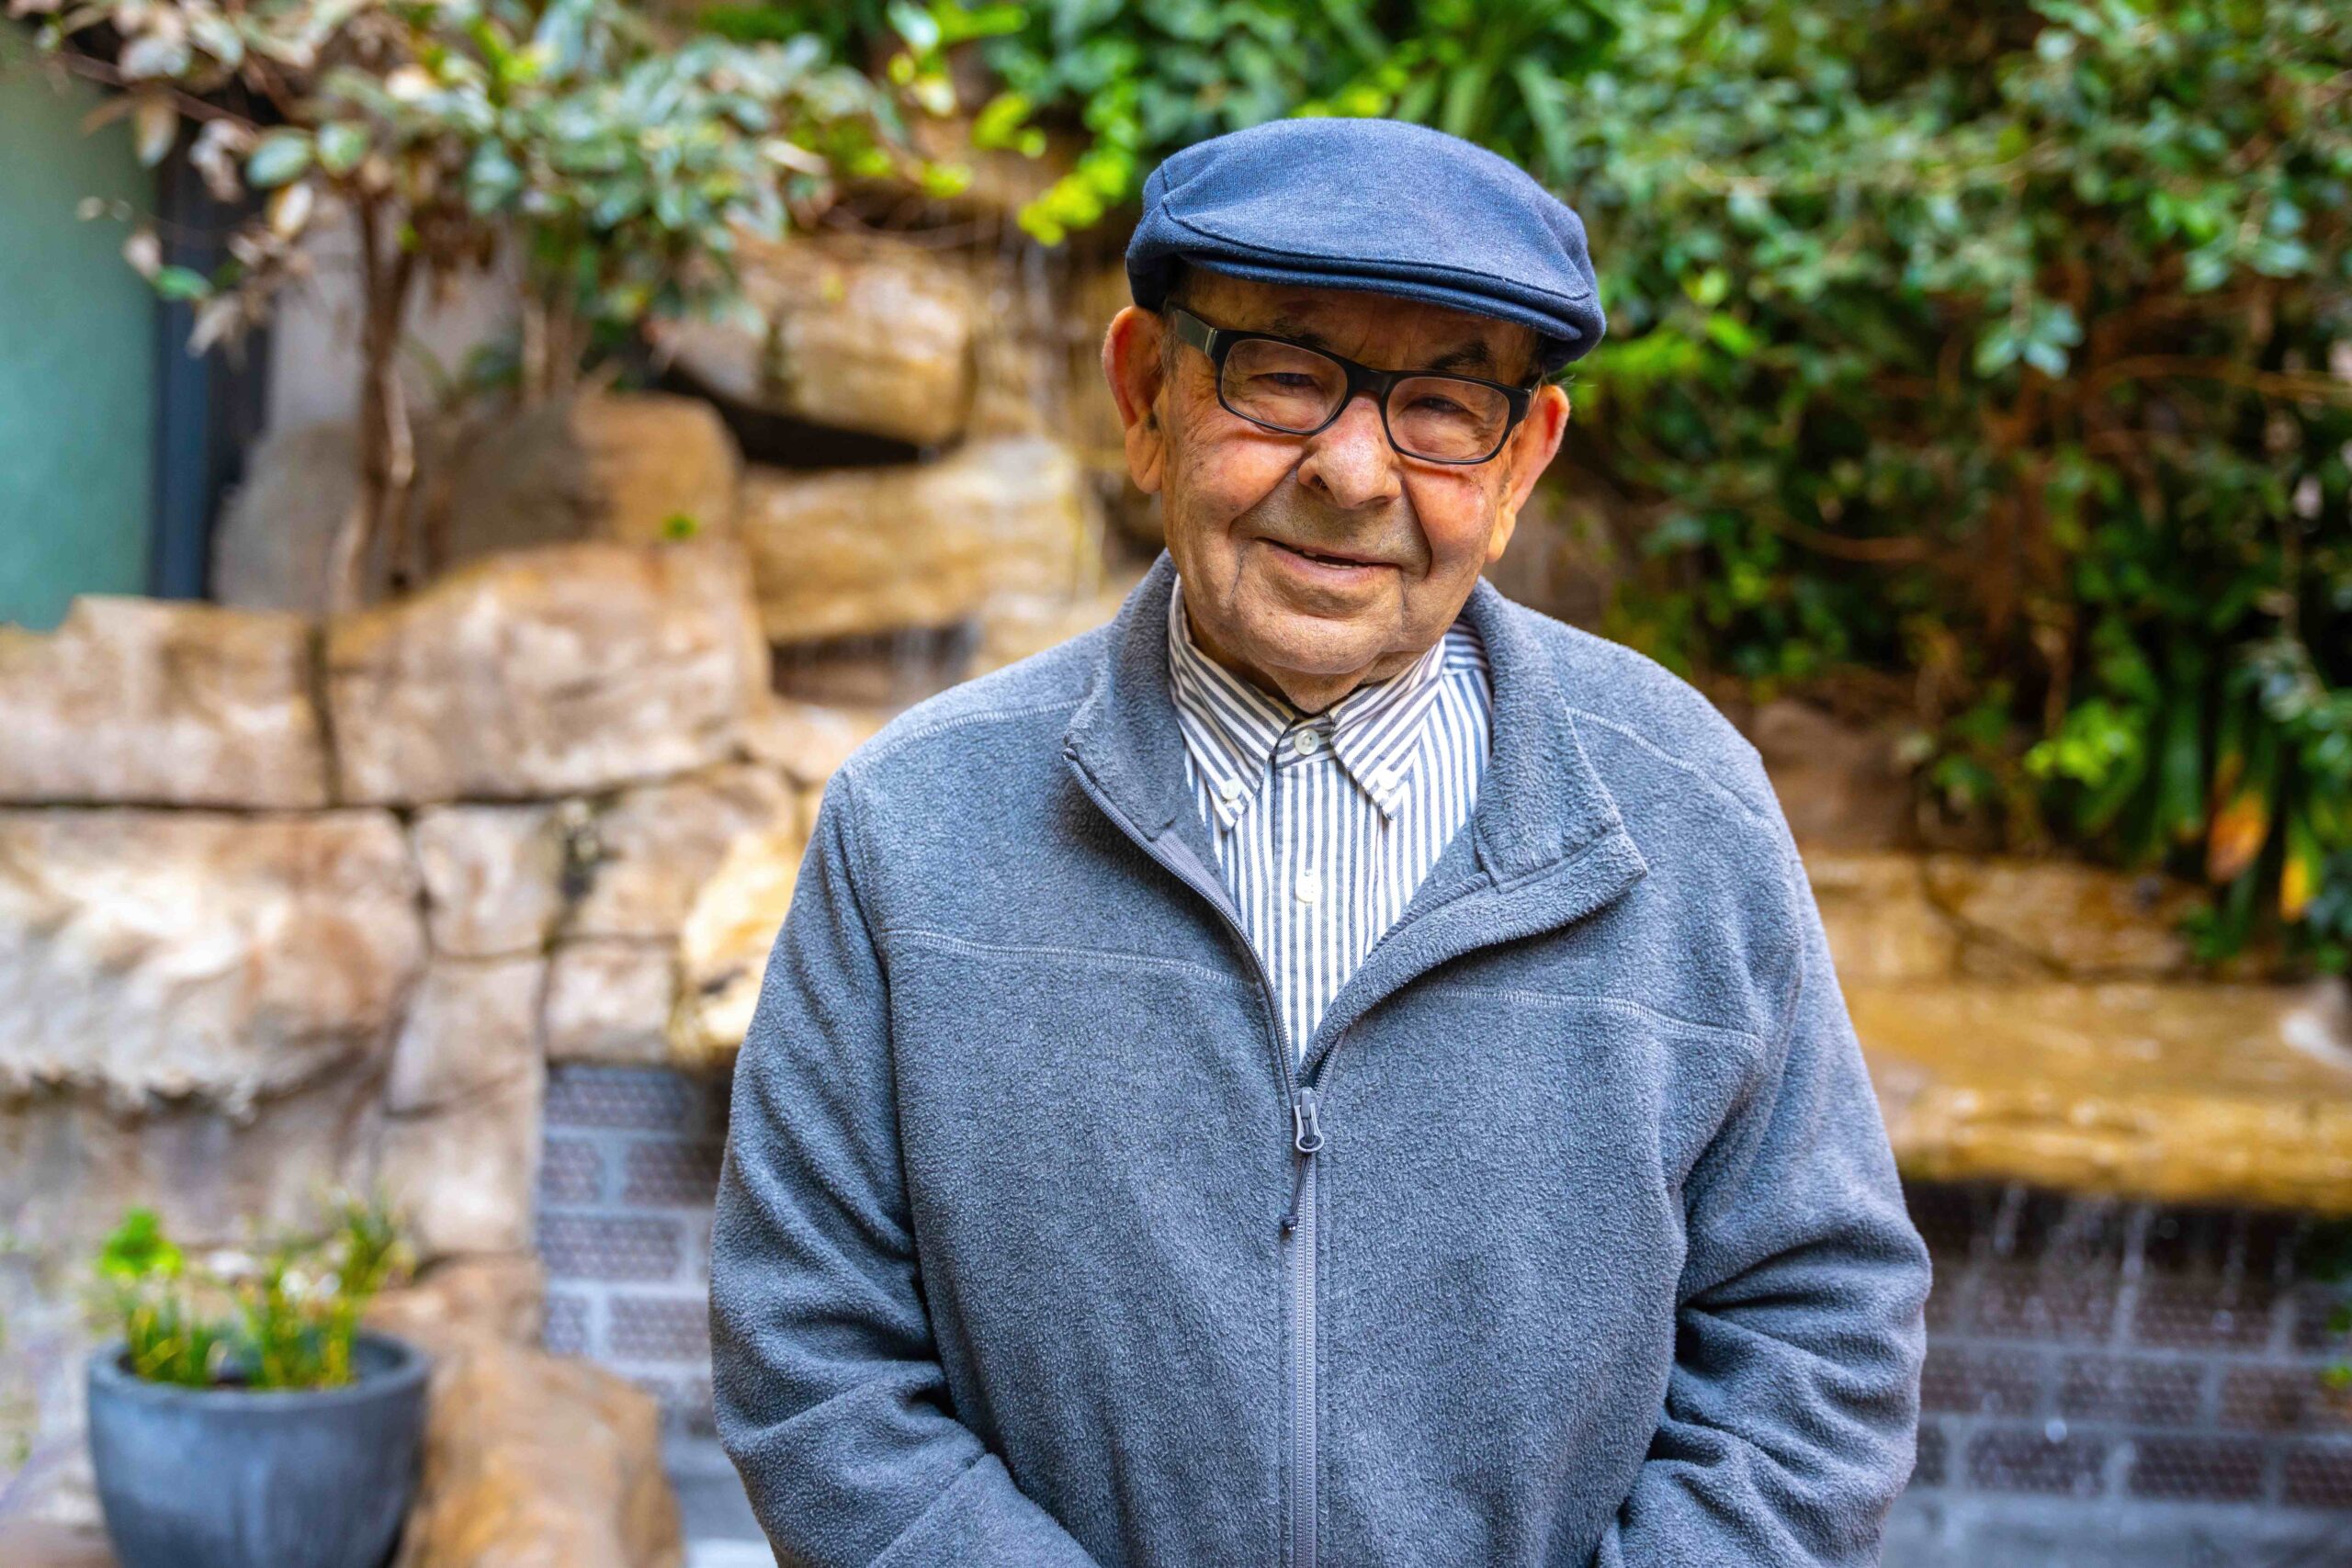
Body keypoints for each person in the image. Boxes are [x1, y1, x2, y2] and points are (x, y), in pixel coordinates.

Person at [709, 115, 1930, 1567]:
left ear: (1524, 457)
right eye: (1284, 377)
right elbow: (812, 1358)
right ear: (1147, 394)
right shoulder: (915, 824)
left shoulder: (1686, 814)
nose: (1356, 473)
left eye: (1442, 408)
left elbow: (1821, 1336)